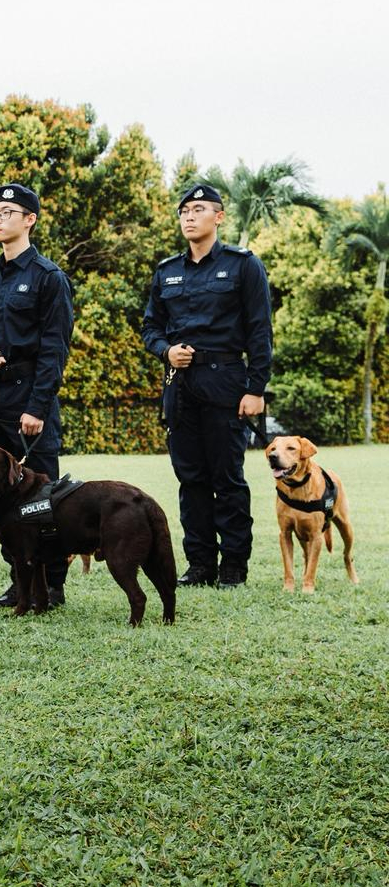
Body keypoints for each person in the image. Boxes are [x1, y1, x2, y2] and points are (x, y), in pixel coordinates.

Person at [142, 182, 273, 589]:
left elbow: (260, 331)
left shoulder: (243, 265)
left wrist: (256, 389)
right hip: (181, 384)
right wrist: (166, 351)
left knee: (227, 477)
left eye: (198, 209)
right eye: (184, 211)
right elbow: (150, 327)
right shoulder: (167, 271)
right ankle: (200, 563)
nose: (189, 217)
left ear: (218, 216)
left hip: (226, 382)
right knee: (191, 478)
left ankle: (234, 564)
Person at [0, 184, 75, 608]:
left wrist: (37, 407)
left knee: (41, 496)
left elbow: (54, 349)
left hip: (29, 397)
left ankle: (53, 583)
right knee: (1, 498)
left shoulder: (48, 277)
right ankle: (19, 582)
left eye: (7, 212)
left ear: (30, 219)